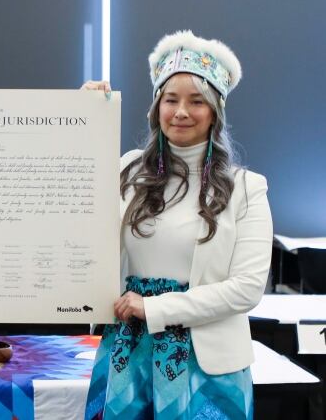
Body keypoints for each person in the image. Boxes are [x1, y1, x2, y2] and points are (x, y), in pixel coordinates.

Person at [81, 30, 272, 419]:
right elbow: (68, 203)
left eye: (196, 101)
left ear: (215, 110)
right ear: (157, 107)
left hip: (209, 366)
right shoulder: (127, 171)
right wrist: (82, 120)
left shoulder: (246, 189)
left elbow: (247, 289)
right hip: (128, 354)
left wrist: (155, 307)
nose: (181, 111)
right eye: (171, 100)